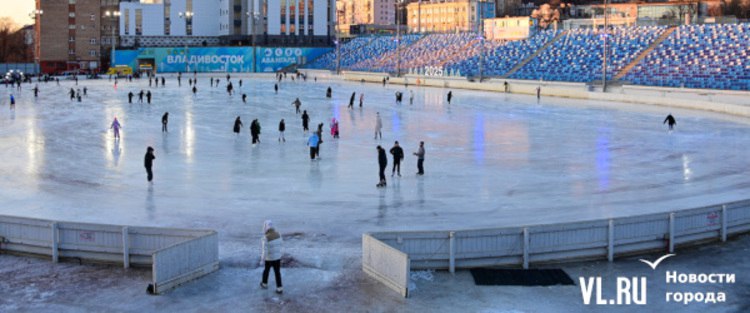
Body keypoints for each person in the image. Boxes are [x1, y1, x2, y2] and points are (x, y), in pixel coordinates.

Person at [259, 220, 284, 294]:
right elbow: (281, 245)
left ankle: (264, 284)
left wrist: (262, 259)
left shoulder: (265, 237)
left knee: (266, 271)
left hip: (269, 259)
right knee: (277, 273)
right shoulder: (278, 234)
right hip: (277, 258)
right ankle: (279, 288)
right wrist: (280, 254)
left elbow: (265, 251)